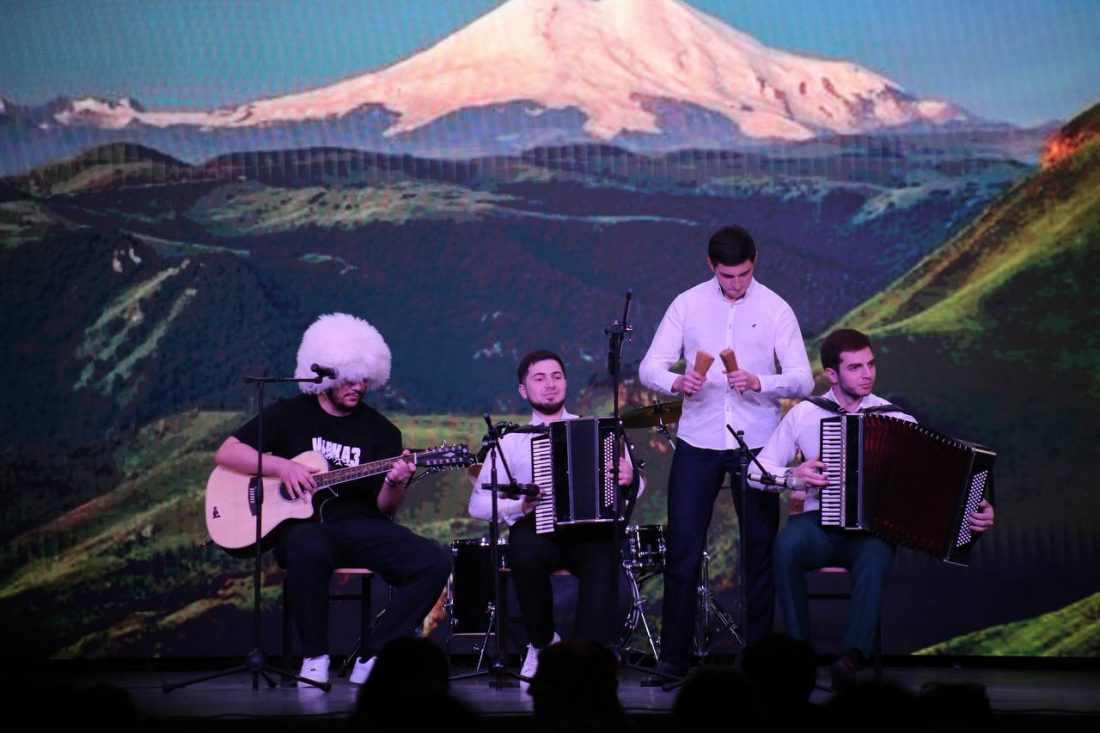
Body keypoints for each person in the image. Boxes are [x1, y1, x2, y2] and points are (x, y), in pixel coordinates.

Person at [213, 312, 451, 686]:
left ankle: (373, 654)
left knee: (434, 561)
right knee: (308, 547)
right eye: (348, 378)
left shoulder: (382, 431)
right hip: (303, 528)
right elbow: (227, 452)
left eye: (364, 379)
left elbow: (385, 508)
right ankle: (315, 656)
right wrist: (281, 467)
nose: (357, 387)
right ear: (325, 375)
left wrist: (396, 482)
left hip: (361, 526)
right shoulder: (289, 414)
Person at [752, 328, 995, 691]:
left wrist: (974, 509)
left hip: (871, 530)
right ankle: (798, 654)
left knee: (877, 555)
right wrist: (794, 476)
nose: (867, 374)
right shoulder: (805, 414)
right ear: (832, 374)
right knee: (786, 546)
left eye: (870, 364)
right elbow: (756, 472)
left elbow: (933, 486)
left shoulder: (897, 420)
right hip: (817, 524)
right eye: (855, 367)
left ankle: (852, 657)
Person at [638, 224, 813, 680]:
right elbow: (650, 366)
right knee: (683, 549)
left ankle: (756, 661)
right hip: (698, 439)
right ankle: (674, 658)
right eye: (727, 276)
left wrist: (760, 381)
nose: (736, 284)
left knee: (757, 551)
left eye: (744, 274)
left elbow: (803, 379)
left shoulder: (775, 308)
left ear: (755, 263)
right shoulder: (688, 304)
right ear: (711, 266)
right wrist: (677, 381)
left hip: (757, 443)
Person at [468, 349, 640, 684]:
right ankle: (542, 643)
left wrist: (629, 478)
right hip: (536, 529)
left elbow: (637, 484)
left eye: (557, 376)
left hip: (587, 530)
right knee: (523, 550)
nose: (550, 384)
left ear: (566, 383)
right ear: (524, 390)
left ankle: (586, 653)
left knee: (604, 553)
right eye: (540, 378)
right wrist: (518, 507)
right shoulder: (510, 441)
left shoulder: (595, 429)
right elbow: (477, 505)